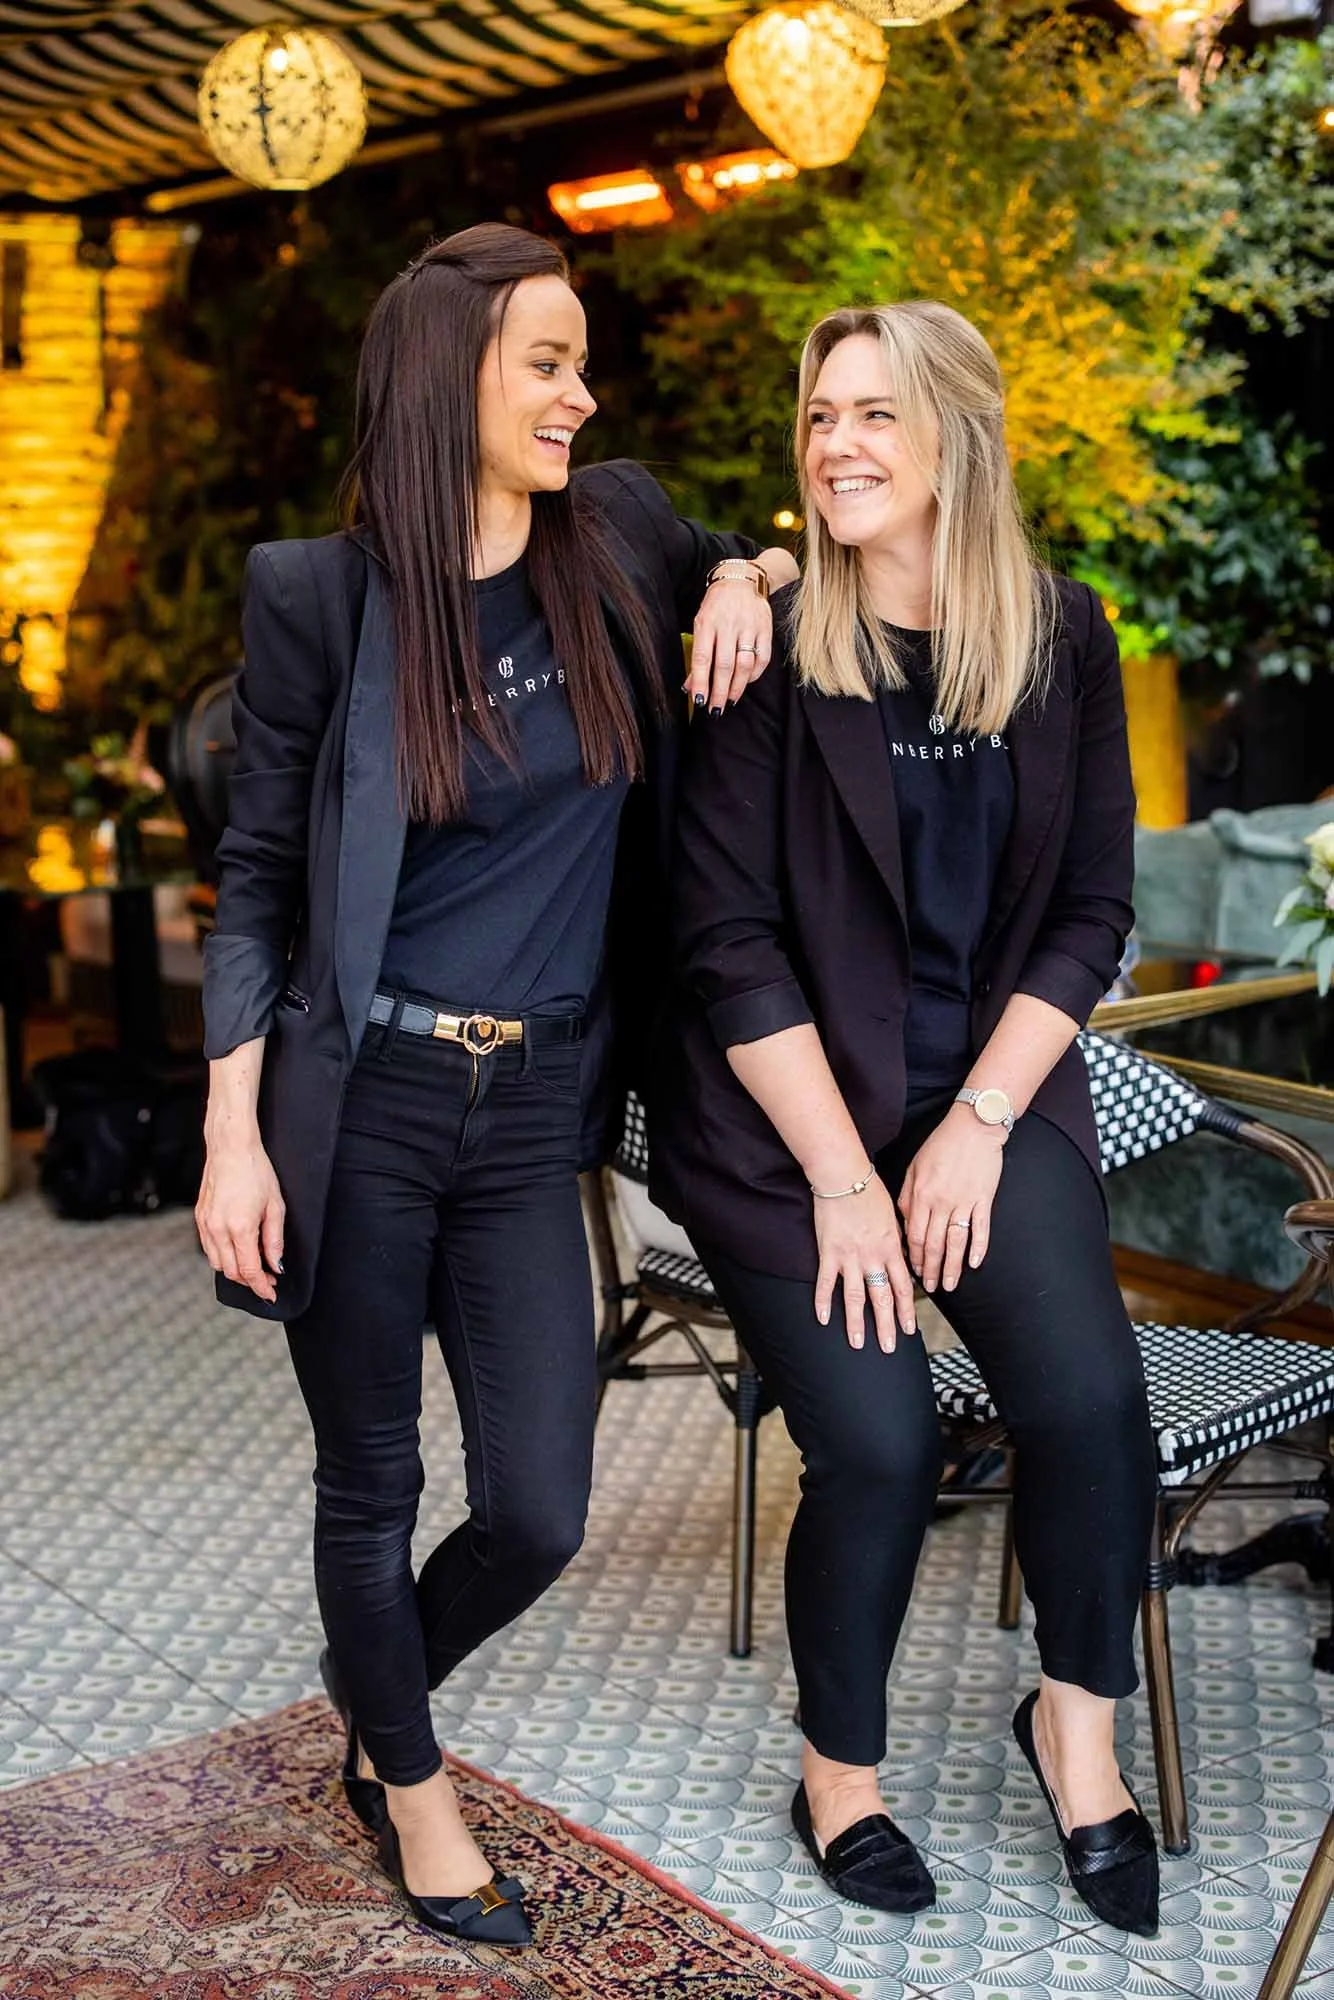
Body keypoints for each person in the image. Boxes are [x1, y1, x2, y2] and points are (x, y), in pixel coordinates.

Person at [195, 222, 797, 1948]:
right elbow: (254, 872)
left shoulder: (616, 534)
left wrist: (747, 582)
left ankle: (371, 1677)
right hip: (363, 1104)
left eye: (577, 363)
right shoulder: (319, 596)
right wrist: (233, 1136)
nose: (579, 393)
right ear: (450, 375)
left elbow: (752, 561)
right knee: (369, 1482)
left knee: (538, 1504)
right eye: (547, 362)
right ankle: (411, 1782)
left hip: (536, 1111)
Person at [651, 301, 1161, 1937]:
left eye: (874, 413)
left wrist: (981, 1121)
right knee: (877, 1444)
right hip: (785, 1121)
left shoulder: (1058, 634)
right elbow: (723, 939)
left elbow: (1089, 908)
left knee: (1090, 1409)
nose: (838, 444)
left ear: (952, 435)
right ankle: (838, 1777)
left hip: (978, 1106)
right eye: (817, 416)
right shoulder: (770, 647)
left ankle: (1076, 1738)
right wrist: (842, 1184)